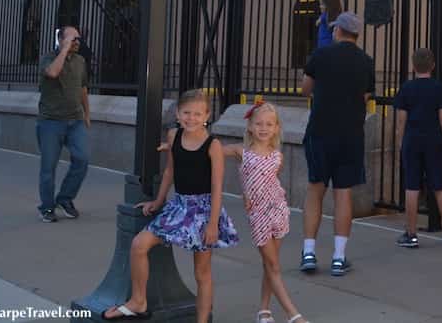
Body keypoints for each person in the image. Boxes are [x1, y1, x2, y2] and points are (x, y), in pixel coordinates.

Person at [102, 89, 238, 322]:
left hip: (204, 211)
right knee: (139, 244)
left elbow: (217, 187)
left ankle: (202, 320)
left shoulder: (213, 145)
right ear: (177, 113)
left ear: (207, 115)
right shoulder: (174, 135)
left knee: (202, 272)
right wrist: (158, 201)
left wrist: (213, 223)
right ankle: (138, 301)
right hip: (179, 207)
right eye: (186, 112)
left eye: (197, 114)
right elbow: (170, 171)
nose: (191, 118)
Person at [298, 11, 375, 276]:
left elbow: (305, 89)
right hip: (351, 134)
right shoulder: (366, 61)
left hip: (320, 131)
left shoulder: (321, 55)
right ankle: (339, 257)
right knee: (344, 194)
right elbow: (365, 96)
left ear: (338, 31)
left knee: (314, 191)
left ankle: (308, 252)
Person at [222, 100, 306, 323]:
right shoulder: (242, 152)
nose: (263, 128)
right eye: (258, 123)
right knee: (274, 265)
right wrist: (176, 143)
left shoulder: (278, 156)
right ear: (250, 126)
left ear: (276, 128)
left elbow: (269, 182)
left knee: (270, 264)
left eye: (269, 124)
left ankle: (263, 310)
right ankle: (294, 315)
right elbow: (210, 150)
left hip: (278, 210)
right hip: (257, 214)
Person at [393, 48, 442, 249]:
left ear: (413, 66)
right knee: (439, 186)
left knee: (412, 187)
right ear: (433, 66)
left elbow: (401, 120)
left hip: (412, 139)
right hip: (435, 139)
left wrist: (399, 142)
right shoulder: (439, 88)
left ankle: (411, 234)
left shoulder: (407, 88)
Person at [37, 25, 91, 222]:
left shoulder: (80, 61)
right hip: (50, 122)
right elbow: (52, 73)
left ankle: (65, 198)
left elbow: (83, 88)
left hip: (75, 120)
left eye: (78, 39)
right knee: (48, 167)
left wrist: (87, 113)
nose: (77, 42)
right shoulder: (48, 58)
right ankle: (47, 207)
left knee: (82, 159)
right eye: (72, 39)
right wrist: (64, 50)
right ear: (61, 40)